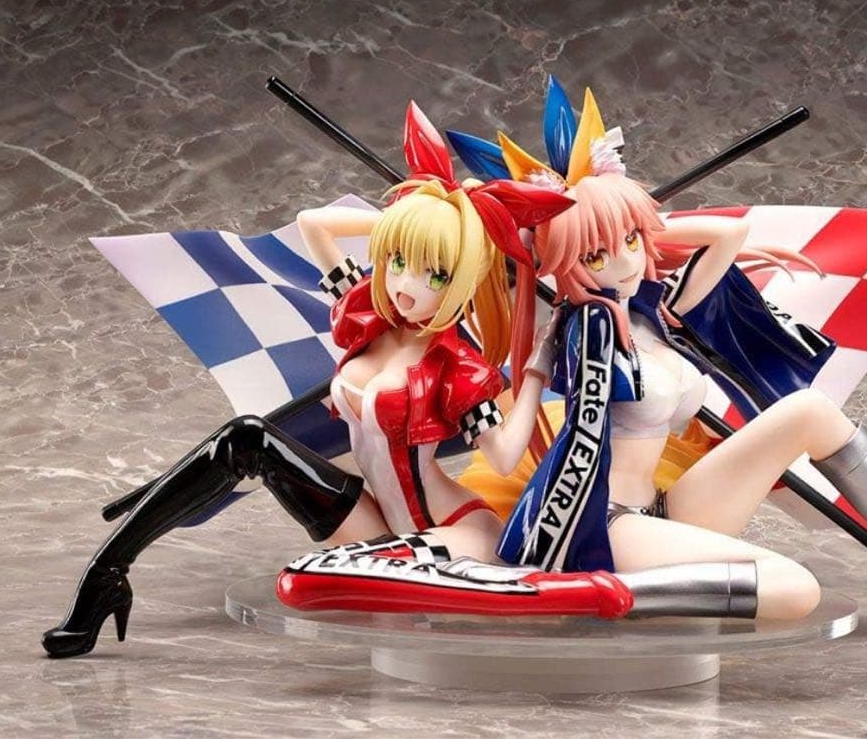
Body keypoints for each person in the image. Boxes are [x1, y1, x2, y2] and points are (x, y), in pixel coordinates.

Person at [456, 80, 867, 686]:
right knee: (795, 590)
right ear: (556, 263)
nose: (624, 263)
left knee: (810, 411)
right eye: (595, 256)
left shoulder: (652, 312)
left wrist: (620, 214)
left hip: (664, 510)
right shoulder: (583, 332)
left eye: (629, 242)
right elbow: (535, 447)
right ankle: (577, 594)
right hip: (603, 525)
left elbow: (727, 238)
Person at [41, 102, 571, 658]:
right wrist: (424, 217)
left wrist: (535, 369)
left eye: (436, 273)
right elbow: (314, 225)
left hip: (455, 528)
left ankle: (478, 592)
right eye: (399, 261)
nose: (408, 285)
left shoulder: (459, 367)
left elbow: (505, 458)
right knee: (247, 437)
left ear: (464, 278)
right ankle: (107, 575)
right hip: (374, 519)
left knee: (322, 572)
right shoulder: (367, 313)